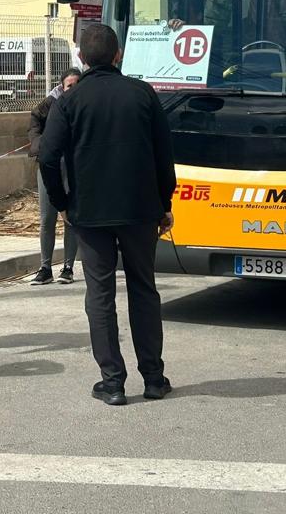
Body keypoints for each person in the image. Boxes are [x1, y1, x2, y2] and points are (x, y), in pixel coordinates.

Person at [38, 24, 176, 407]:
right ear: (118, 55)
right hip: (140, 210)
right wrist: (165, 202)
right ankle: (153, 377)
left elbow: (47, 156)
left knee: (99, 295)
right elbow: (164, 156)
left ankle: (112, 382)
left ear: (81, 58)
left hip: (90, 212)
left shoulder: (69, 100)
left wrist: (62, 201)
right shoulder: (143, 94)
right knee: (143, 290)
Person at [26, 68, 82, 285]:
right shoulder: (50, 104)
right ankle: (45, 267)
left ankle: (68, 267)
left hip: (74, 165)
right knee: (47, 217)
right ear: (61, 87)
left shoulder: (85, 105)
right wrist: (40, 146)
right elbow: (34, 123)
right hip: (50, 165)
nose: (73, 90)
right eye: (69, 86)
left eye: (77, 85)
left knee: (70, 217)